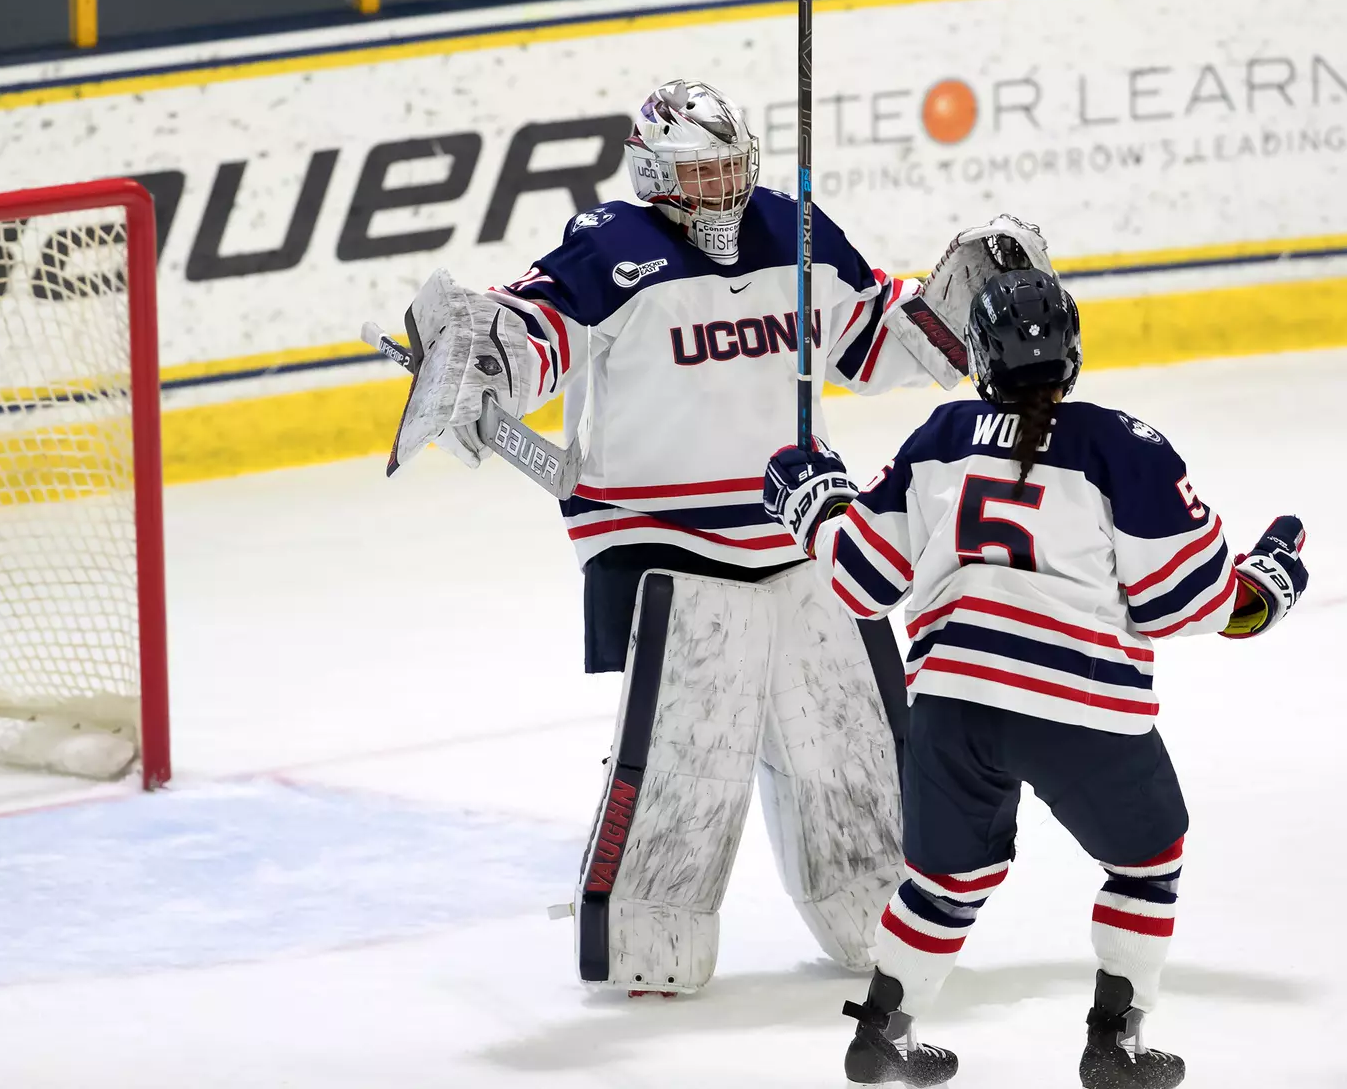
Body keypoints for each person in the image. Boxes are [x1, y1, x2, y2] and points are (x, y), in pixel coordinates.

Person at [379, 79, 972, 995]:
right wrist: (484, 349)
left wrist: (951, 309)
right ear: (653, 173)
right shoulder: (610, 247)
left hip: (807, 536)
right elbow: (536, 330)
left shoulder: (795, 229)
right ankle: (650, 943)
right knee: (687, 768)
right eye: (700, 174)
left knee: (853, 749)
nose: (722, 189)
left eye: (732, 168)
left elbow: (870, 338)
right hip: (668, 548)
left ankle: (877, 915)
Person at [762, 269, 1309, 1087]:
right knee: (1147, 862)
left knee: (946, 879)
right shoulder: (1124, 445)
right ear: (1072, 352)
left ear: (981, 356)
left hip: (951, 703)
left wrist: (815, 506)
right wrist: (1264, 590)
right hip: (1078, 705)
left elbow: (864, 580)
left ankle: (882, 1033)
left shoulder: (939, 436)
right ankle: (1115, 1047)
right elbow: (1184, 602)